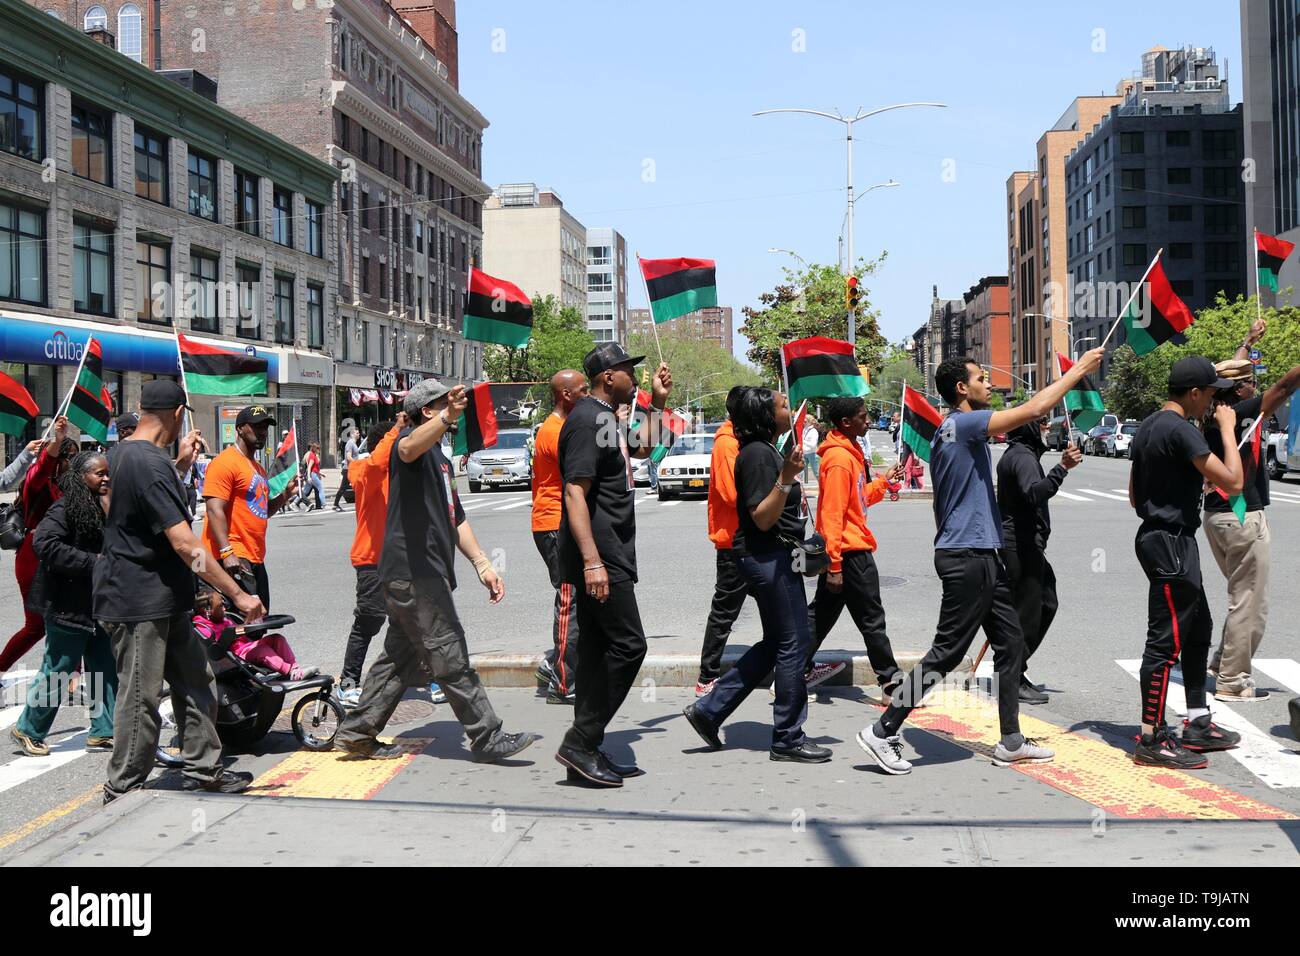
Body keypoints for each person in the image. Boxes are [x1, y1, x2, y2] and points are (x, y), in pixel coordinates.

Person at [856, 349, 1104, 775]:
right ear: (961, 389)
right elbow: (1035, 407)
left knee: (1010, 646)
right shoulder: (963, 423)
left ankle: (1011, 740)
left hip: (982, 555)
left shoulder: (952, 430)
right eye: (981, 378)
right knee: (947, 654)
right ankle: (883, 731)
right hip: (965, 557)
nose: (989, 383)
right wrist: (1079, 370)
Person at [334, 380, 538, 763]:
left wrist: (482, 564)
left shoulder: (441, 461)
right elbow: (408, 447)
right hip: (413, 573)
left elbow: (455, 518)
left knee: (400, 659)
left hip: (421, 573)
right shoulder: (407, 444)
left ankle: (356, 733)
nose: (454, 407)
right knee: (449, 650)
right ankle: (486, 734)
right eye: (444, 403)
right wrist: (448, 416)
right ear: (427, 411)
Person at [95, 380, 267, 801]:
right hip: (138, 601)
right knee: (141, 699)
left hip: (162, 598)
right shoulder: (149, 464)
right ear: (176, 414)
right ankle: (122, 790)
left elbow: (144, 505)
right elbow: (184, 544)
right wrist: (238, 595)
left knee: (197, 682)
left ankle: (203, 770)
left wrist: (181, 465)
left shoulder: (127, 456)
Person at [682, 387, 830, 764]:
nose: (789, 410)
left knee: (777, 643)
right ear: (767, 417)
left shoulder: (763, 450)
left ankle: (709, 710)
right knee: (794, 645)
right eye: (783, 406)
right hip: (769, 560)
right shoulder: (758, 455)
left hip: (770, 559)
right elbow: (762, 517)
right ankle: (787, 737)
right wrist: (787, 478)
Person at [553, 344, 672, 787]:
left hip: (611, 553)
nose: (634, 377)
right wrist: (591, 563)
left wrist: (657, 402)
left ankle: (587, 745)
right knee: (629, 645)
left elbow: (642, 450)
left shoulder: (604, 416)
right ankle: (581, 740)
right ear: (608, 377)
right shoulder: (587, 420)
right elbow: (574, 494)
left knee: (598, 650)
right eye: (628, 371)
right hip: (601, 557)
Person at [1128, 356, 1246, 769]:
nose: (1213, 403)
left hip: (1161, 538)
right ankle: (1152, 736)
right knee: (1165, 642)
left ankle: (1197, 721)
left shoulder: (1147, 426)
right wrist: (1229, 433)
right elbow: (1234, 481)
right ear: (1194, 393)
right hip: (1172, 542)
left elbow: (1133, 494)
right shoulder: (1181, 430)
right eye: (1211, 395)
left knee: (1198, 627)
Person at [1202, 345, 1300, 702]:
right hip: (1239, 513)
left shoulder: (1213, 411)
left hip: (1218, 512)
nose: (1257, 386)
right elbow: (1286, 387)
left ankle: (1220, 663)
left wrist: (1248, 340)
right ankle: (1233, 679)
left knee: (1242, 594)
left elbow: (1229, 368)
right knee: (1250, 601)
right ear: (1239, 389)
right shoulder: (1242, 411)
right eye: (1251, 381)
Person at [10, 451, 117, 757]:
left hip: (95, 604)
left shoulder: (101, 505)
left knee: (103, 666)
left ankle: (103, 730)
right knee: (58, 668)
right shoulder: (65, 507)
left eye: (107, 473)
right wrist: (92, 562)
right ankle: (28, 729)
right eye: (99, 473)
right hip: (65, 603)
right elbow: (44, 543)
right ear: (82, 477)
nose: (106, 477)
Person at [805, 396, 907, 695]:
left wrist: (884, 483)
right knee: (872, 618)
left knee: (819, 619)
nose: (868, 420)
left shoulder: (848, 453)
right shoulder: (839, 459)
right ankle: (891, 681)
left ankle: (791, 672)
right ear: (846, 423)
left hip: (846, 550)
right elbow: (832, 515)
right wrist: (835, 565)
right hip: (849, 553)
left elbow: (857, 501)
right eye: (863, 417)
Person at [996, 416, 1082, 705]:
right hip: (1019, 546)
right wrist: (1062, 468)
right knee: (1026, 614)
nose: (1047, 428)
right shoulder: (1022, 458)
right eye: (1042, 422)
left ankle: (1014, 667)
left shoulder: (1023, 454)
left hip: (1026, 545)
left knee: (1045, 602)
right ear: (1030, 428)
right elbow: (1034, 493)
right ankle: (1012, 675)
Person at [200, 404, 298, 612]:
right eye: (256, 427)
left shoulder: (258, 468)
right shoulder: (225, 462)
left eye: (265, 427)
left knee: (258, 624)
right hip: (234, 556)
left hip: (255, 557)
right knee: (243, 625)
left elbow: (262, 512)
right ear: (240, 429)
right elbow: (214, 509)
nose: (262, 432)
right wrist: (227, 553)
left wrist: (284, 496)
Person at [532, 369, 589, 705]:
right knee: (570, 602)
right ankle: (563, 683)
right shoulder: (555, 432)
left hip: (556, 522)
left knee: (578, 602)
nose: (587, 395)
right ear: (566, 395)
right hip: (554, 523)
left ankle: (553, 666)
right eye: (583, 390)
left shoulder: (559, 426)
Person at [1, 417, 74, 676]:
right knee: (36, 627)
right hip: (34, 558)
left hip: (62, 558)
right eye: (69, 458)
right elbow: (40, 467)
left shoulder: (70, 485)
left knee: (72, 618)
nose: (72, 464)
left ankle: (72, 677)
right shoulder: (37, 481)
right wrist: (57, 440)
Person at [338, 416, 402, 705]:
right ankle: (347, 683)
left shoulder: (398, 472)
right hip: (371, 560)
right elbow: (377, 464)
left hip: (398, 560)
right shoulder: (364, 468)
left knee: (412, 621)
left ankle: (424, 676)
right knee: (368, 621)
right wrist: (398, 430)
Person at [695, 385, 750, 697]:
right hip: (734, 543)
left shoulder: (739, 441)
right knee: (724, 612)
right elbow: (732, 495)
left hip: (749, 541)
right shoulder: (727, 444)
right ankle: (707, 676)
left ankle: (800, 666)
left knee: (781, 609)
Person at [193, 589, 317, 680]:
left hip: (246, 646)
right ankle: (289, 672)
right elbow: (214, 645)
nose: (224, 609)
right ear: (207, 611)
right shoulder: (203, 626)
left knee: (277, 639)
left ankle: (295, 669)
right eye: (220, 607)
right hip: (236, 657)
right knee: (262, 651)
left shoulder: (224, 619)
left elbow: (239, 630)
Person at [334, 427, 360, 511]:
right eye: (357, 433)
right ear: (352, 434)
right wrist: (356, 463)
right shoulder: (350, 443)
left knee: (358, 485)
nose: (358, 434)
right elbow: (348, 457)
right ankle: (335, 504)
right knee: (343, 487)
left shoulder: (354, 443)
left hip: (353, 469)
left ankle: (361, 503)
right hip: (348, 469)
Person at [298, 442, 324, 511]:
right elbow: (308, 466)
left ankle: (295, 502)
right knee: (316, 489)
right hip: (311, 474)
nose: (319, 450)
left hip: (312, 474)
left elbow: (315, 467)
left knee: (308, 491)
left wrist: (319, 473)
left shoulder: (314, 455)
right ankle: (322, 504)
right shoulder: (310, 455)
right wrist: (307, 476)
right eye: (318, 448)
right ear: (313, 448)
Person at [801, 417, 819, 484]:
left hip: (812, 454)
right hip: (804, 453)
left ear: (810, 422)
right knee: (802, 472)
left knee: (816, 473)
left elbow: (813, 445)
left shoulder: (814, 431)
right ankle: (803, 488)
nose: (804, 422)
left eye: (805, 421)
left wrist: (803, 440)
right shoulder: (804, 429)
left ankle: (823, 488)